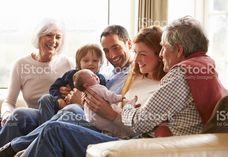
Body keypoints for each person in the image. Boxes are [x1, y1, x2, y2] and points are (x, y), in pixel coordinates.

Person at [19, 25, 168, 157]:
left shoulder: (161, 88)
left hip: (119, 136)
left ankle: (23, 147)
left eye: (143, 54)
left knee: (58, 125)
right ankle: (27, 147)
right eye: (136, 53)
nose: (137, 59)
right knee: (31, 115)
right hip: (102, 122)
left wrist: (109, 112)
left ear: (160, 54)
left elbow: (138, 128)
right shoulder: (135, 77)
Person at [0, 25, 134, 156]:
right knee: (20, 115)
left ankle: (21, 145)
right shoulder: (106, 70)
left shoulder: (134, 74)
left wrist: (81, 101)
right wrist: (64, 93)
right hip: (68, 111)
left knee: (71, 110)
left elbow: (114, 106)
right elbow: (71, 81)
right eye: (106, 51)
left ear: (129, 44)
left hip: (92, 117)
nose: (111, 55)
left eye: (116, 47)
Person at [0, 19, 74, 147]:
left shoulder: (68, 63)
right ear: (38, 37)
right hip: (32, 117)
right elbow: (9, 102)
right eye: (49, 35)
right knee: (17, 116)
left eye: (58, 37)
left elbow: (79, 96)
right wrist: (7, 114)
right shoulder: (21, 64)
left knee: (20, 114)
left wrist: (69, 93)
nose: (54, 41)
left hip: (58, 115)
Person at [38, 44, 106, 124]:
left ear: (100, 63)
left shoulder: (99, 79)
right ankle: (45, 128)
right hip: (61, 105)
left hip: (80, 111)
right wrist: (59, 99)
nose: (90, 63)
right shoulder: (71, 74)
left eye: (95, 61)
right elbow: (54, 87)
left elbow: (101, 97)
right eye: (86, 60)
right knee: (45, 98)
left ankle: (49, 129)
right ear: (79, 63)